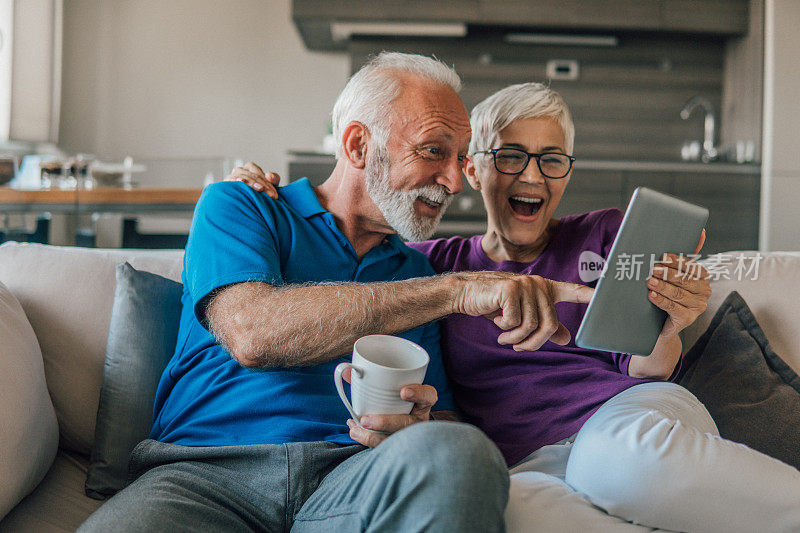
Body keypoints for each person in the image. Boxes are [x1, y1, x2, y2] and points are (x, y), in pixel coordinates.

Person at [235, 82, 800, 533]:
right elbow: (342, 284)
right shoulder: (427, 267)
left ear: (567, 173)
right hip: (525, 465)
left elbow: (650, 366)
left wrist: (670, 321)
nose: (532, 175)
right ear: (472, 170)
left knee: (616, 464)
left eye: (551, 160)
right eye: (511, 156)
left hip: (629, 418)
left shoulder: (606, 234)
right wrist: (271, 195)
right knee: (502, 516)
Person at [78, 52, 601, 532]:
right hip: (204, 475)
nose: (453, 182)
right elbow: (253, 333)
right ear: (357, 145)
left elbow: (442, 413)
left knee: (460, 450)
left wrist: (419, 422)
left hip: (352, 482)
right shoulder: (243, 206)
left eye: (459, 156)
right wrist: (455, 290)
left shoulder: (415, 273)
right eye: (433, 151)